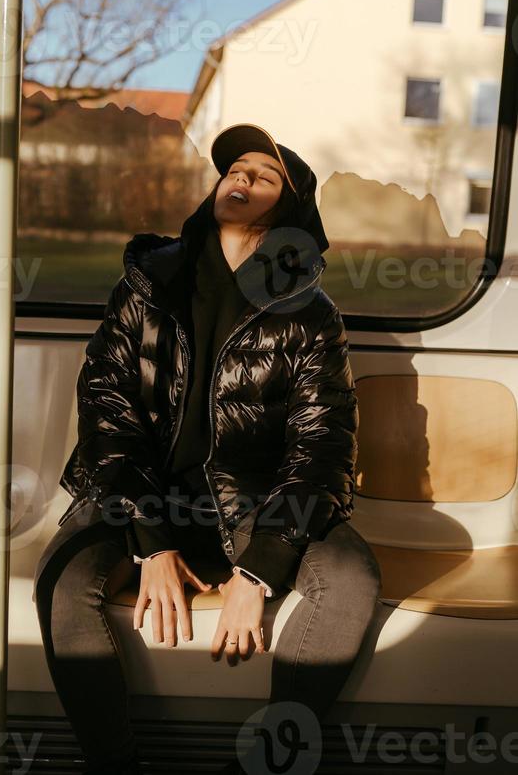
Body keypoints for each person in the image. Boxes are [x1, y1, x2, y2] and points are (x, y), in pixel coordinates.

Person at [32, 123, 382, 775]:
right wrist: (150, 537)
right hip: (134, 489)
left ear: (291, 210)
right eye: (235, 168)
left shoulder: (310, 314)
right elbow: (107, 413)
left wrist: (261, 569)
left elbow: (321, 447)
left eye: (264, 174)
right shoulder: (146, 286)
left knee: (352, 579)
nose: (242, 179)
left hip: (258, 502)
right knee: (61, 583)